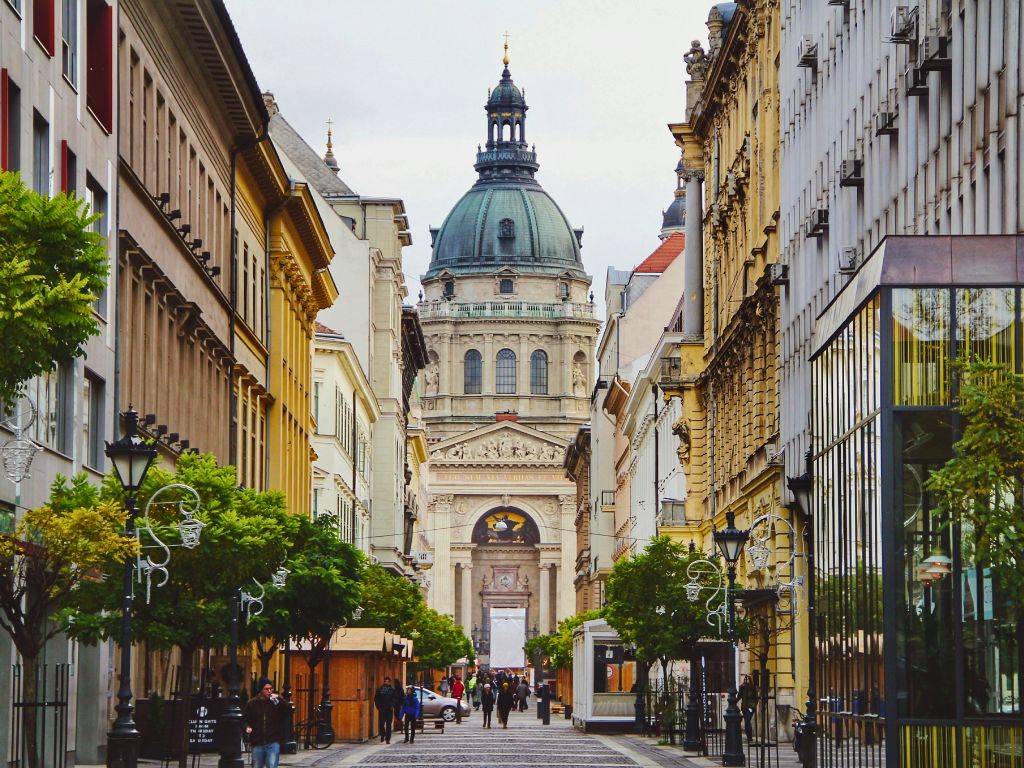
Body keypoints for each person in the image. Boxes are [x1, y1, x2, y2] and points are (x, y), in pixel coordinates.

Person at [244, 677, 283, 768]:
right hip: (257, 742)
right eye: (266, 689)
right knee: (257, 765)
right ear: (261, 689)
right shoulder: (252, 703)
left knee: (272, 765)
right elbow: (245, 719)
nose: (269, 691)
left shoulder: (275, 702)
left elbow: (288, 711)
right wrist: (247, 727)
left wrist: (280, 699)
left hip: (273, 741)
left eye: (271, 689)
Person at [374, 676, 397, 744]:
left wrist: (392, 705)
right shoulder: (380, 689)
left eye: (388, 681)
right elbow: (376, 698)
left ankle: (388, 739)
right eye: (385, 681)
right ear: (384, 682)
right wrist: (378, 706)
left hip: (389, 709)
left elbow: (395, 699)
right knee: (381, 724)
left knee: (388, 724)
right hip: (382, 709)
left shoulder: (392, 690)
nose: (387, 682)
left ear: (390, 682)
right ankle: (382, 734)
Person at [738, 675, 757, 740]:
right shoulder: (742, 688)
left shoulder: (752, 687)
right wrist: (741, 688)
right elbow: (739, 696)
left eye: (748, 679)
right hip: (744, 707)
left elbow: (755, 697)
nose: (746, 681)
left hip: (751, 707)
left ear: (750, 680)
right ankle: (748, 735)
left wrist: (754, 705)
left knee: (748, 720)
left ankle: (749, 736)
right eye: (745, 679)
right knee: (746, 721)